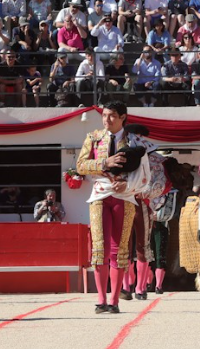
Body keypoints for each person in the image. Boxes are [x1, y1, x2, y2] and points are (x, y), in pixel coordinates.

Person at [77, 100, 143, 314]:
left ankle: (114, 301)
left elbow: (145, 175)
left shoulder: (135, 140)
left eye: (112, 115)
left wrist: (127, 184)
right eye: (104, 115)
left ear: (123, 117)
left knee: (119, 250)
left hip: (124, 196)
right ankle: (100, 299)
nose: (107, 119)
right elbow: (80, 166)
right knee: (99, 249)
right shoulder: (94, 138)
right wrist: (104, 163)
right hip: (100, 194)